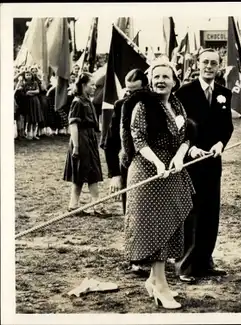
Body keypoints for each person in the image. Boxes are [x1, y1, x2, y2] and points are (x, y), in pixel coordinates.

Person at [122, 59, 196, 309]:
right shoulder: (143, 105)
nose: (161, 80)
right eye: (156, 77)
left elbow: (186, 136)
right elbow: (138, 139)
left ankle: (154, 281)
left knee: (170, 225)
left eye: (166, 76)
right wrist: (159, 163)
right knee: (157, 230)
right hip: (148, 172)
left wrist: (177, 158)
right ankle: (162, 287)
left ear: (175, 82)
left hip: (172, 170)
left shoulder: (176, 104)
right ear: (150, 81)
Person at [175, 48, 234, 283]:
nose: (209, 66)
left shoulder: (224, 94)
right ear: (197, 64)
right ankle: (185, 265)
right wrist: (190, 148)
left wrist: (221, 143)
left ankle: (205, 261)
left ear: (219, 67)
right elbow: (178, 125)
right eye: (205, 62)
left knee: (211, 211)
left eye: (213, 63)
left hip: (212, 160)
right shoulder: (184, 92)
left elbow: (226, 126)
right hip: (190, 160)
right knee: (191, 212)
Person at [101, 69, 149, 216]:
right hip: (129, 165)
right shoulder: (121, 105)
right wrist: (115, 174)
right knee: (131, 213)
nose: (132, 96)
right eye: (129, 91)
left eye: (136, 92)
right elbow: (110, 142)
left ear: (146, 87)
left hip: (154, 166)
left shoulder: (157, 103)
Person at [62, 73, 105, 215]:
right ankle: (92, 205)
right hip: (81, 139)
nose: (94, 87)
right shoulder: (77, 102)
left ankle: (79, 206)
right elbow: (73, 125)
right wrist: (76, 146)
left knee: (89, 172)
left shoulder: (88, 101)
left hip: (89, 138)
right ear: (83, 85)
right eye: (91, 84)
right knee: (82, 172)